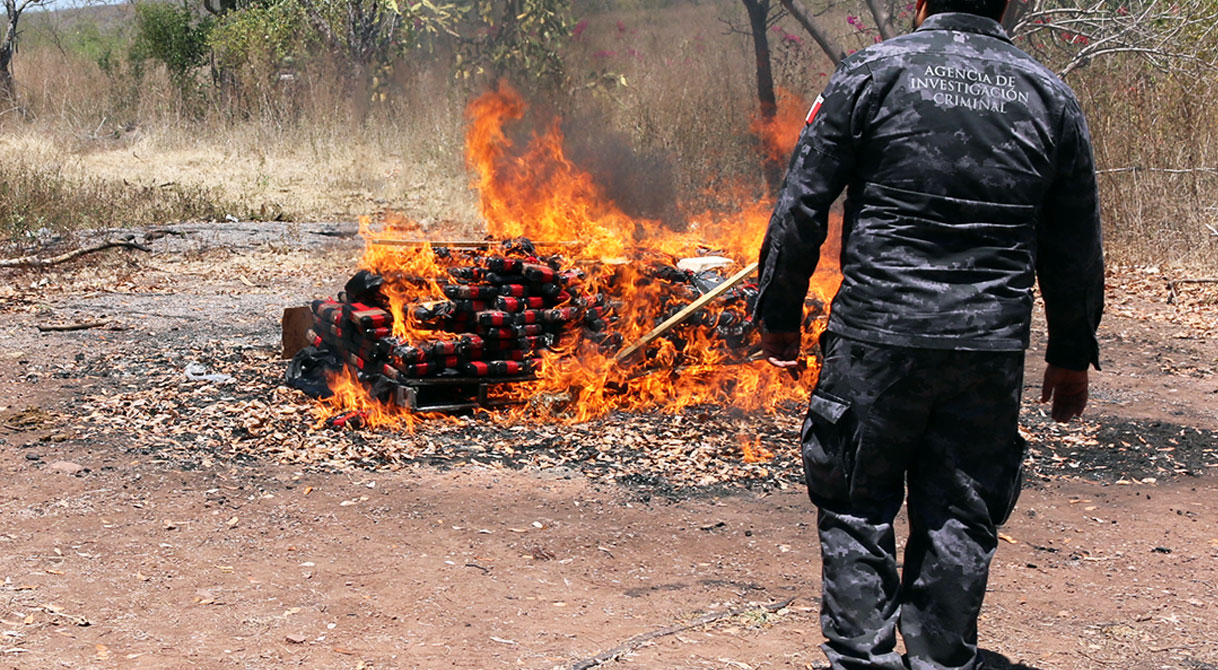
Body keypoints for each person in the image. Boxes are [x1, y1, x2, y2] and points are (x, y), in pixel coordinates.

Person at [753, 0, 1104, 666]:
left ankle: (863, 661)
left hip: (877, 339)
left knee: (857, 506)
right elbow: (1076, 239)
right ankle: (942, 661)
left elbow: (802, 203)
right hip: (987, 349)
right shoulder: (1049, 96)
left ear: (920, 1)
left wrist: (779, 314)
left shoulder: (871, 74)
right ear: (1008, 2)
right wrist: (1071, 352)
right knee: (960, 515)